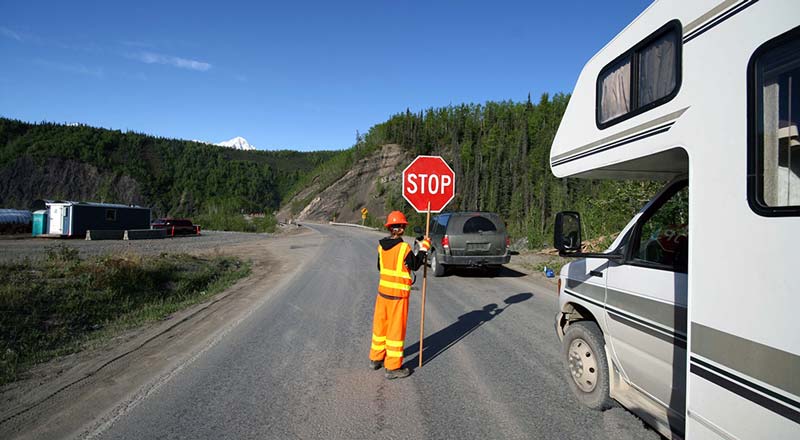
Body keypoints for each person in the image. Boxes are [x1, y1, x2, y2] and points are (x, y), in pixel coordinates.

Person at [369, 210, 431, 379]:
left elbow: (380, 268)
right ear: (402, 229)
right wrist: (424, 248)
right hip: (398, 296)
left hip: (383, 294)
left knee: (380, 327)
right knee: (395, 331)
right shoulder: (404, 248)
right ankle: (392, 367)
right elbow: (415, 264)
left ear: (389, 228)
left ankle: (376, 359)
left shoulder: (381, 246)